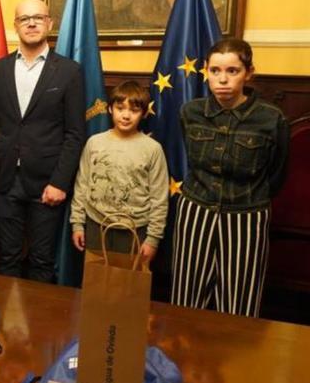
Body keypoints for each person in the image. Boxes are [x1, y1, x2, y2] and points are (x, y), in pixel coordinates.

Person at [171, 39, 289, 317]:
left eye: (233, 71)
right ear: (206, 72)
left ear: (249, 73)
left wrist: (248, 199)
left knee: (239, 300)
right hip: (196, 209)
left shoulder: (271, 119)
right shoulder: (190, 112)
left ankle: (235, 358)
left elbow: (277, 173)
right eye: (215, 71)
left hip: (246, 215)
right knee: (186, 295)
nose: (222, 79)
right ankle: (183, 356)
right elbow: (189, 158)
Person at [0, 0, 85, 283]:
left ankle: (40, 328)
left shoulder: (69, 71)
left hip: (47, 184)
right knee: (8, 258)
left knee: (42, 261)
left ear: (49, 24)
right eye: (24, 18)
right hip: (6, 181)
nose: (31, 23)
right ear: (15, 26)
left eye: (38, 17)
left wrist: (60, 183)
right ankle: (5, 325)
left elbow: (75, 133)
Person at [70, 81, 168, 261]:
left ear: (144, 113)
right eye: (120, 108)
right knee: (96, 281)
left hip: (134, 229)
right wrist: (77, 223)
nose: (126, 115)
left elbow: (159, 197)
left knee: (129, 284)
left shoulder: (153, 149)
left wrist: (153, 239)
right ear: (110, 109)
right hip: (95, 225)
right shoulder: (94, 142)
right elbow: (82, 184)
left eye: (134, 110)